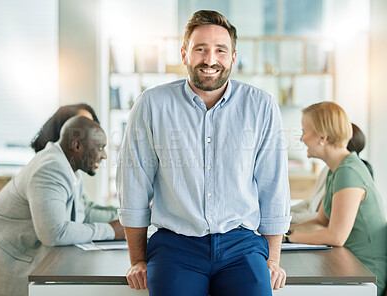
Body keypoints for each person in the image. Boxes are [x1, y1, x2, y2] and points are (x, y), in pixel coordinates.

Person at [117, 10, 290, 296]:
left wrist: (272, 259)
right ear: (184, 54)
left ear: (233, 57)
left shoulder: (261, 106)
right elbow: (134, 185)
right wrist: (137, 259)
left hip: (242, 246)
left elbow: (274, 187)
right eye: (201, 49)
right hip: (175, 247)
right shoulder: (152, 105)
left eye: (220, 50)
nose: (210, 60)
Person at [0, 116, 125, 296]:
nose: (105, 155)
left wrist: (126, 218)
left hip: (30, 253)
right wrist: (111, 230)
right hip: (11, 259)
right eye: (100, 148)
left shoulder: (70, 165)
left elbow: (85, 212)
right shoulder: (50, 168)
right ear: (77, 146)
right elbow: (54, 232)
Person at [285, 102, 387, 296]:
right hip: (346, 265)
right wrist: (282, 233)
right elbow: (320, 221)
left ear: (323, 137)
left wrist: (288, 238)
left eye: (305, 131)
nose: (302, 138)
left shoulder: (349, 172)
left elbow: (336, 236)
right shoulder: (337, 169)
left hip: (365, 275)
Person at [31, 103, 119, 223]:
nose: (91, 129)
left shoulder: (72, 170)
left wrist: (131, 214)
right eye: (82, 123)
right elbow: (59, 231)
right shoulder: (51, 169)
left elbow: (85, 210)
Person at [291, 123, 374, 224]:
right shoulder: (329, 168)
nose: (302, 139)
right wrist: (287, 213)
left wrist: (288, 224)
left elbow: (325, 221)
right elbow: (312, 202)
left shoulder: (346, 172)